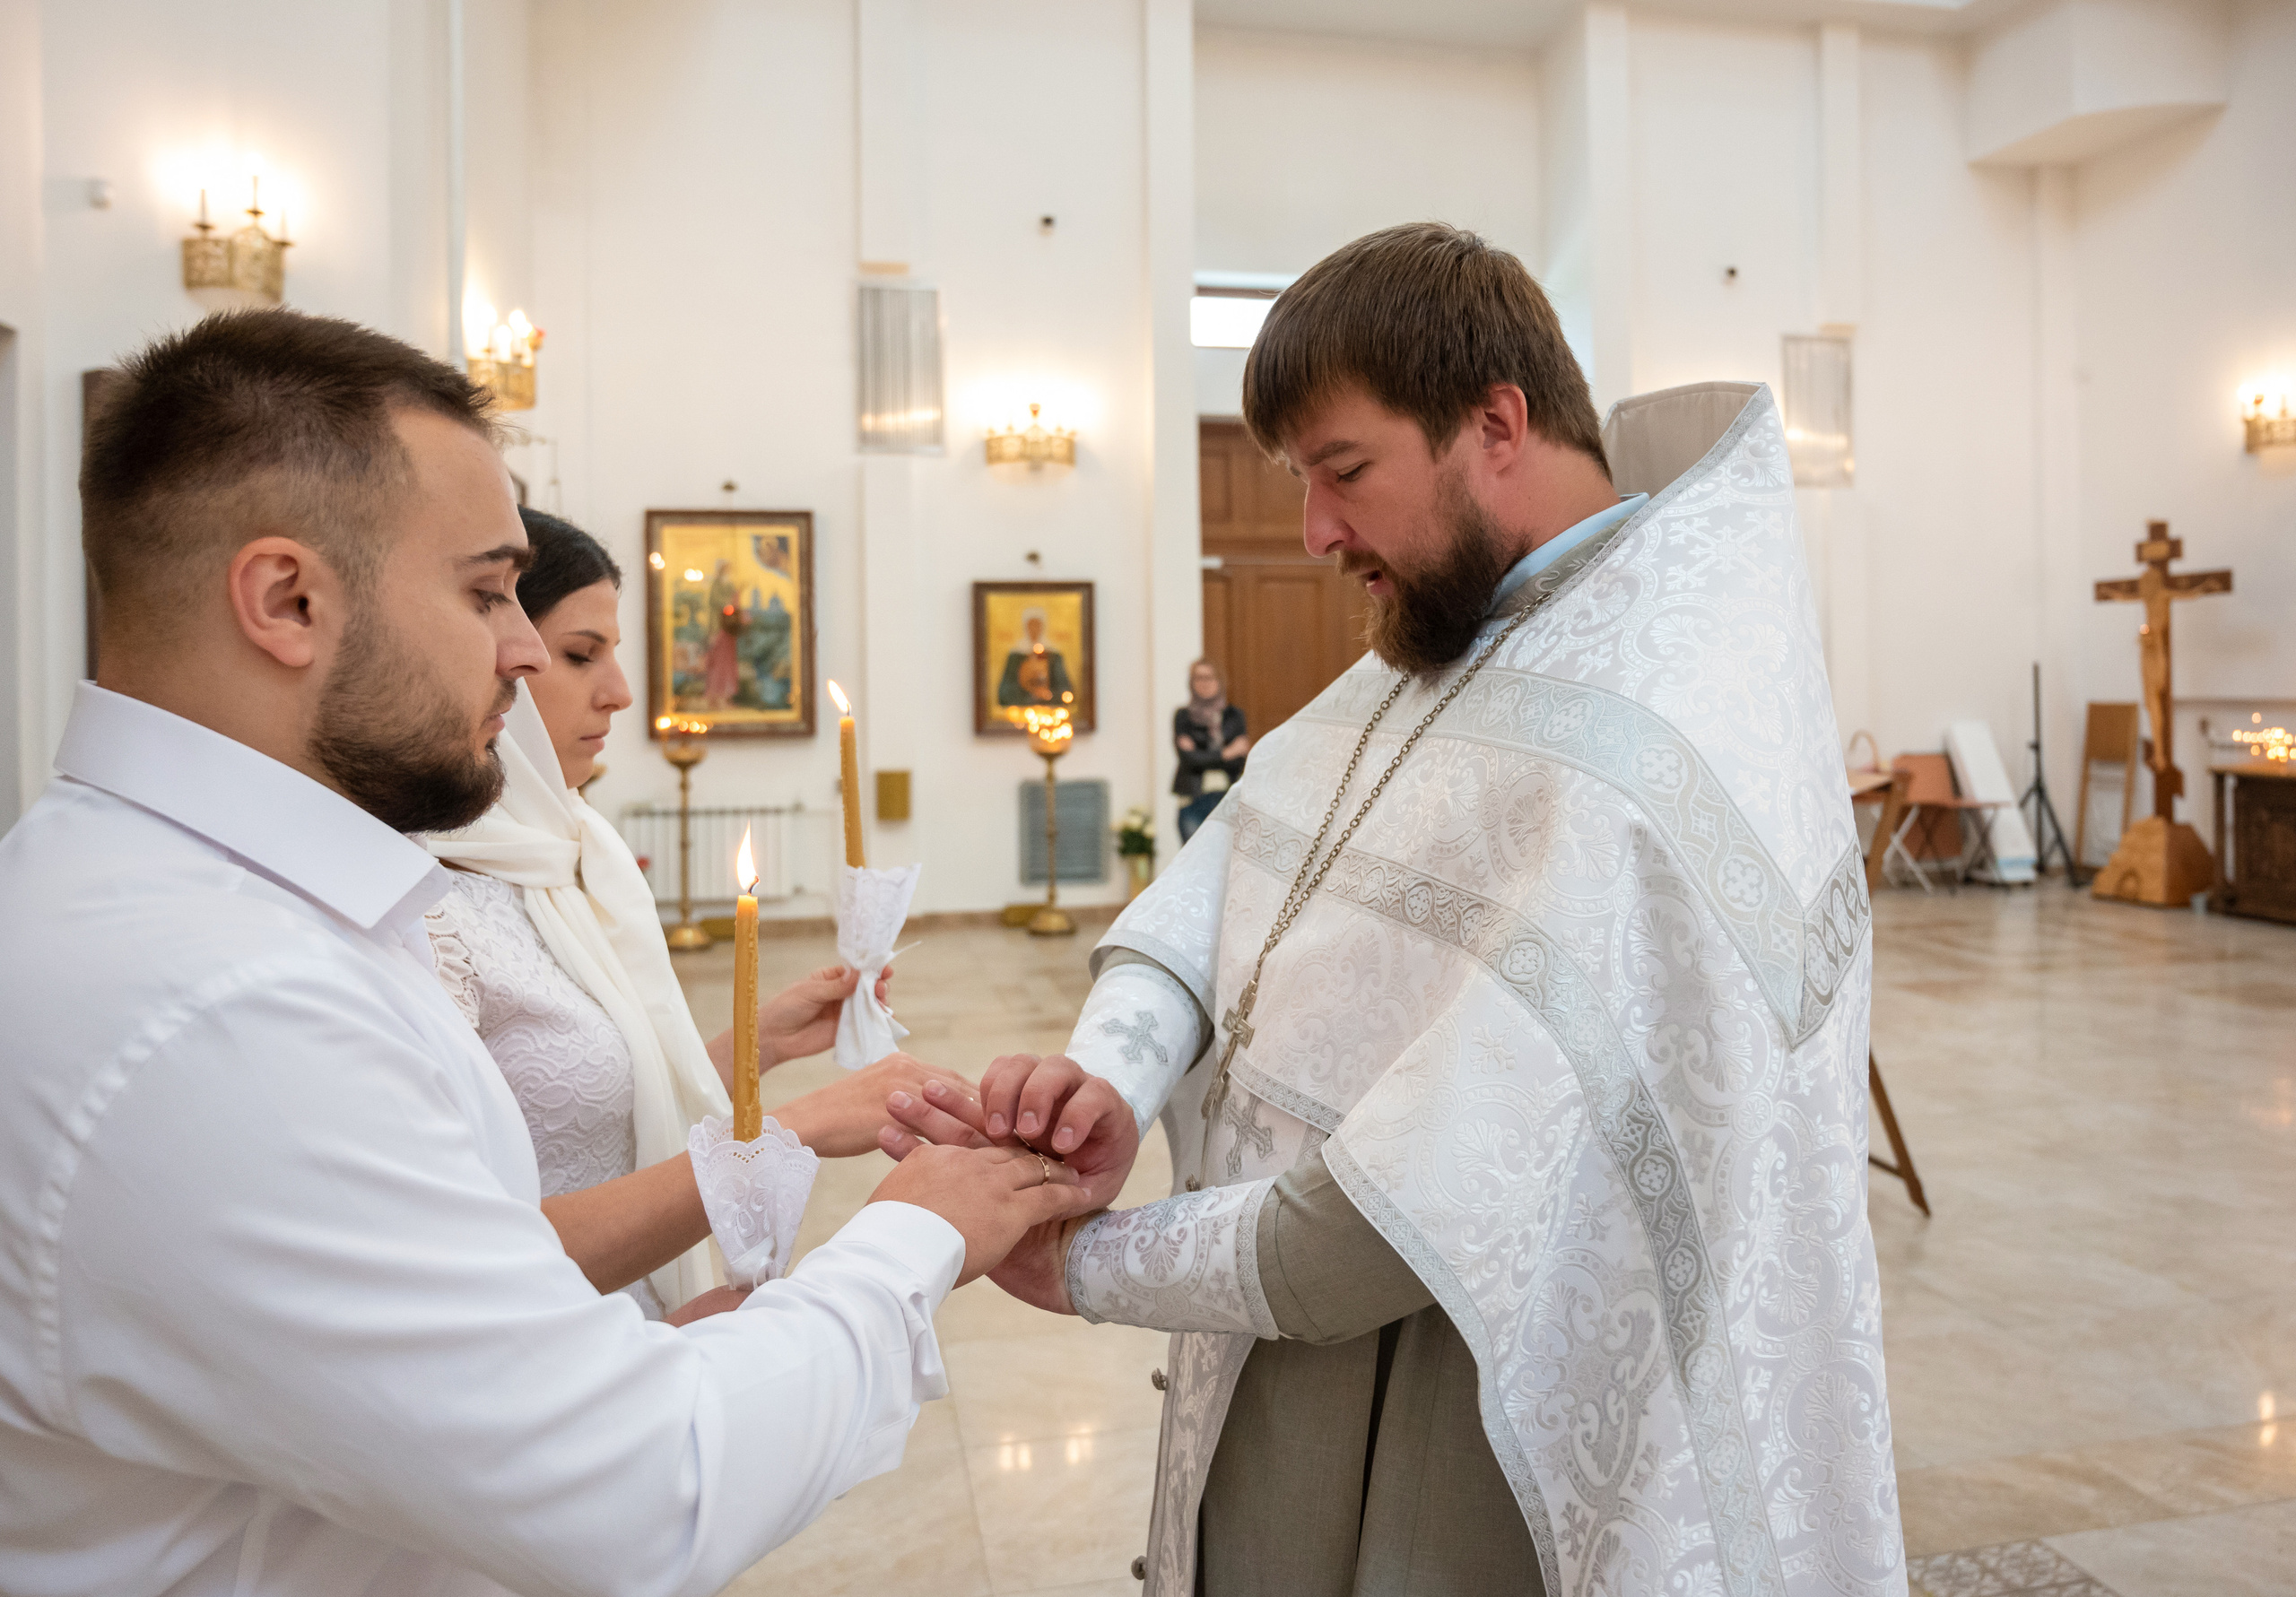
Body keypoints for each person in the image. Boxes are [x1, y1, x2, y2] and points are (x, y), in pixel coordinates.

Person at [0, 308, 1093, 1597]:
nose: (522, 654)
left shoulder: (193, 902)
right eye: (481, 593)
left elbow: (392, 1395)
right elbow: (642, 1496)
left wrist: (624, 1362)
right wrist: (917, 1232)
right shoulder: (221, 1004)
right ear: (287, 599)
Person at [887, 224, 1900, 1597]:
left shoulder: (1657, 723)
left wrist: (1089, 1263)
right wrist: (1112, 1078)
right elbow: (1239, 855)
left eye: (1343, 471)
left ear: (1495, 422)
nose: (1314, 533)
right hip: (1291, 1332)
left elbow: (1409, 1212)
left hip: (1468, 1379)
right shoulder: (1454, 633)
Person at [422, 506, 975, 1322]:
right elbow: (453, 1266)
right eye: (582, 655)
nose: (618, 693)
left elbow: (598, 1115)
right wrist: (790, 1129)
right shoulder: (423, 903)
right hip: (552, 1352)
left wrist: (758, 1044)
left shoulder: (574, 851)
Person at [1171, 658, 1249, 844]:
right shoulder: (1183, 717)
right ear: (1191, 683)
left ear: (1220, 681)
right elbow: (1189, 760)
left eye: (1210, 677)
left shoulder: (1234, 716)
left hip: (1227, 799)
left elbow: (1238, 762)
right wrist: (1227, 752)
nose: (1204, 683)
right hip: (1193, 800)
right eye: (1199, 678)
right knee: (1193, 863)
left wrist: (1201, 755)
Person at [995, 607, 1075, 708]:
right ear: (1025, 626)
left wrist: (1049, 695)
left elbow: (1066, 692)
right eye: (1030, 625)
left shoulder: (1053, 656)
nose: (1034, 629)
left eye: (1037, 625)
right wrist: (1029, 696)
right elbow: (1004, 693)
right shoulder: (1015, 656)